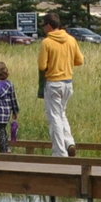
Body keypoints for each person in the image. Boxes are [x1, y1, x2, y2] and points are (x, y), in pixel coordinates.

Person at [36, 14, 84, 157]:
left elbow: (42, 65)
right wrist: (67, 61)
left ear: (49, 25)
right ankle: (69, 143)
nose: (43, 29)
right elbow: (80, 60)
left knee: (54, 118)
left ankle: (59, 152)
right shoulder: (71, 40)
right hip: (68, 83)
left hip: (53, 83)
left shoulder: (47, 42)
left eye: (44, 26)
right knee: (62, 114)